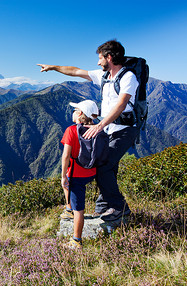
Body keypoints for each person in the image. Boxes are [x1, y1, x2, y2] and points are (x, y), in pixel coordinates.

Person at [37, 39, 138, 221]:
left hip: (124, 130)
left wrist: (100, 125)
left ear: (109, 57)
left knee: (104, 166)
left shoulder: (128, 77)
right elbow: (75, 71)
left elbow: (122, 104)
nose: (98, 63)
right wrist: (53, 67)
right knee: (107, 165)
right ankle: (103, 205)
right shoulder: (105, 76)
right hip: (108, 130)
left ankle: (119, 207)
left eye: (100, 58)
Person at [61, 100, 99, 249]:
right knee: (68, 185)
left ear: (81, 114)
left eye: (76, 109)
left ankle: (76, 241)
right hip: (92, 171)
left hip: (76, 174)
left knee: (79, 210)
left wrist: (63, 175)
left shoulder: (71, 130)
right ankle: (69, 208)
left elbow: (66, 155)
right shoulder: (97, 129)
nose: (73, 112)